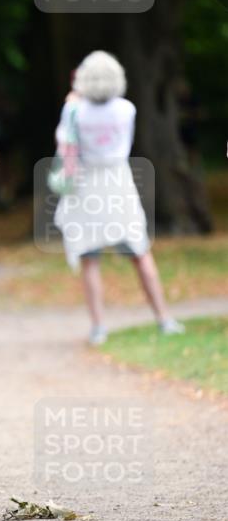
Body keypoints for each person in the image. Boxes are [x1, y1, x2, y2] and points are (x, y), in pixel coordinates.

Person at [53, 50, 185, 346]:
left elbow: (65, 148)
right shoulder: (127, 109)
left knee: (90, 258)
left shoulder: (74, 110)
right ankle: (163, 317)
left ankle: (99, 326)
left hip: (86, 186)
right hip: (119, 183)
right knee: (139, 252)